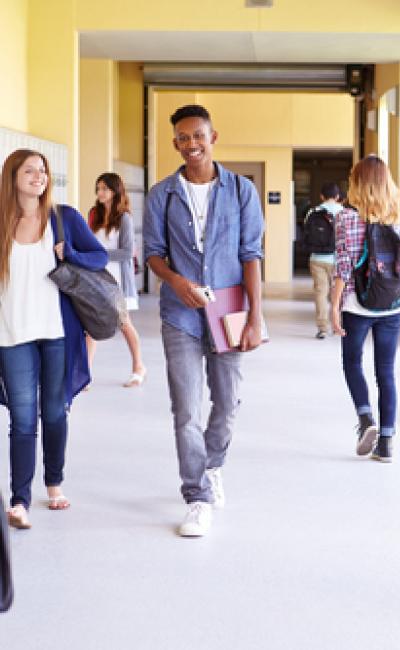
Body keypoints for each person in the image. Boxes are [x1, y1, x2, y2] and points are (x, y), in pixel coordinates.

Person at [143, 104, 264, 538]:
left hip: (230, 310)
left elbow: (252, 255)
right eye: (183, 138)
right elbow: (154, 253)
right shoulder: (162, 194)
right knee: (186, 409)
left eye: (199, 135)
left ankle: (212, 466)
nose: (191, 144)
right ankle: (196, 496)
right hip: (181, 314)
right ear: (175, 143)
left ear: (213, 137)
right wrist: (176, 282)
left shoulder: (240, 191)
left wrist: (255, 317)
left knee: (228, 403)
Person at [0, 149, 108, 529]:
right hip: (12, 334)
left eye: (42, 170)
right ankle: (19, 500)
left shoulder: (63, 218)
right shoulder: (1, 224)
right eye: (29, 171)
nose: (38, 176)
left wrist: (72, 253)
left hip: (57, 332)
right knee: (23, 417)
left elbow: (99, 257)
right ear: (12, 177)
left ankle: (54, 481)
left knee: (55, 412)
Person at [331, 155, 400, 463]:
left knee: (353, 362)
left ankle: (366, 419)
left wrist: (334, 306)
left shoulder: (346, 217)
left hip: (357, 304)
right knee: (386, 372)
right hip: (391, 304)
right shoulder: (396, 217)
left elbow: (344, 264)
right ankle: (387, 442)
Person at [87, 172, 145, 387]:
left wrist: (98, 255)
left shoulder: (124, 218)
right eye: (98, 188)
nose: (100, 192)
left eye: (104, 188)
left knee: (124, 324)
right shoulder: (94, 214)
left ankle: (138, 366)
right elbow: (89, 243)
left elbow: (127, 252)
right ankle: (85, 374)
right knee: (91, 326)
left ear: (115, 191)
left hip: (118, 280)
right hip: (97, 278)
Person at [304, 182, 343, 339]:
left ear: (321, 196)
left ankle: (322, 328)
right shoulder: (344, 212)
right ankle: (337, 325)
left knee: (320, 293)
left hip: (317, 258)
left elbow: (306, 234)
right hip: (339, 259)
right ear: (338, 196)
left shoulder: (313, 212)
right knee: (338, 293)